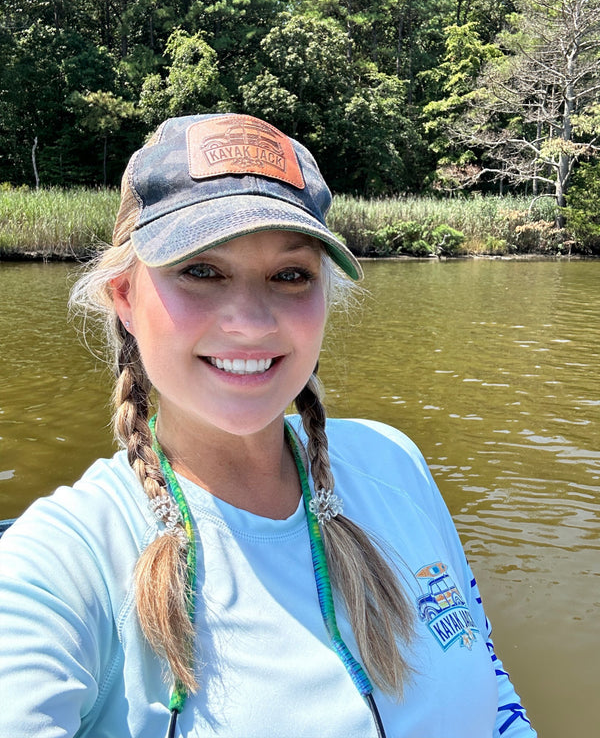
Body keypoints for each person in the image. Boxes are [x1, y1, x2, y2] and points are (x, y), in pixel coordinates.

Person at [0, 113, 536, 738]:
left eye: (290, 275)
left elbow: (492, 683)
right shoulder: (60, 565)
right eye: (201, 270)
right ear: (124, 296)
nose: (251, 323)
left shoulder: (395, 461)